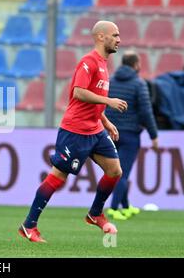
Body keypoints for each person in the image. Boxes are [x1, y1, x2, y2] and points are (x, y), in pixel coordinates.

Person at [18, 21, 128, 243]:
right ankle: (29, 225)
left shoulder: (104, 64)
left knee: (115, 171)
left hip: (95, 129)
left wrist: (104, 121)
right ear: (100, 37)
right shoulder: (88, 62)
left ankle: (95, 213)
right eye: (115, 35)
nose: (119, 39)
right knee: (58, 177)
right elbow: (79, 93)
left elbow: (92, 102)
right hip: (75, 131)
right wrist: (109, 101)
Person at [105, 51, 158, 220]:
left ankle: (126, 206)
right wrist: (153, 135)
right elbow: (146, 111)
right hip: (130, 134)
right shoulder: (138, 83)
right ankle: (113, 208)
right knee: (122, 172)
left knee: (116, 169)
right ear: (136, 64)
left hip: (110, 131)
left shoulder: (110, 80)